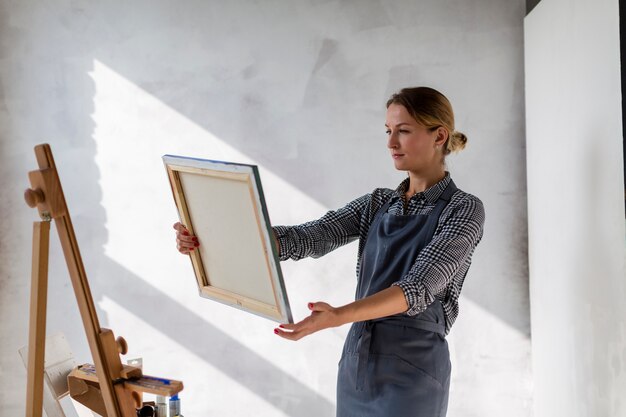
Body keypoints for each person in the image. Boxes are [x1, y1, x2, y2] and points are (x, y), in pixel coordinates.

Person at [173, 86, 485, 417]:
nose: (391, 143)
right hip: (357, 364)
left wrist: (337, 316)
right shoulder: (378, 203)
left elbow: (417, 289)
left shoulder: (463, 209)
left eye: (404, 131)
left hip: (414, 373)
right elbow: (310, 237)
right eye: (388, 131)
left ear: (439, 136)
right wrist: (213, 235)